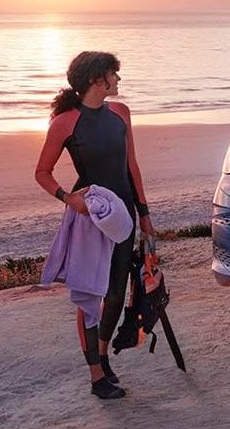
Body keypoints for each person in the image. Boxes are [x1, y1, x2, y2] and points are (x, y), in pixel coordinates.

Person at [35, 50, 152, 398]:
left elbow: (132, 167)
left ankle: (102, 355)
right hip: (91, 216)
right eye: (113, 74)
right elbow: (41, 172)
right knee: (90, 295)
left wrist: (144, 214)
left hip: (123, 214)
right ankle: (96, 376)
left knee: (116, 292)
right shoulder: (65, 123)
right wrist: (67, 198)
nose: (118, 79)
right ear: (94, 79)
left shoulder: (121, 113)